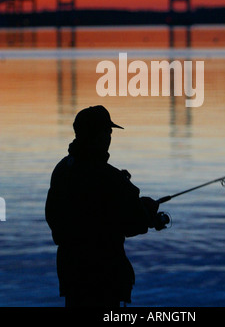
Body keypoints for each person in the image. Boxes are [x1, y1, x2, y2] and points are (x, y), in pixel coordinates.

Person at [45, 105, 166, 307]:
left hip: (72, 274)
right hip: (103, 279)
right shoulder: (110, 178)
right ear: (99, 135)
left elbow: (53, 216)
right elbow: (135, 223)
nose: (110, 137)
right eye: (108, 131)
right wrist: (147, 210)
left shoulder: (62, 170)